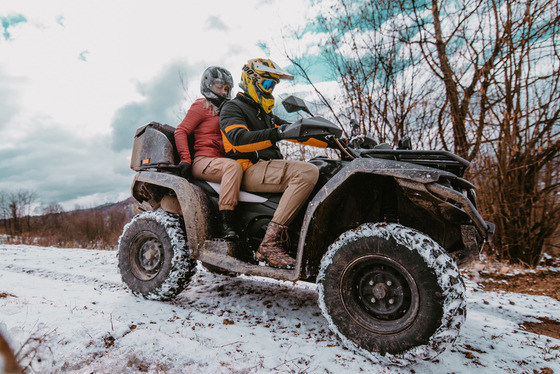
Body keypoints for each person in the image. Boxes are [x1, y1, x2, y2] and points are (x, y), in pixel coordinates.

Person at [219, 58, 320, 269]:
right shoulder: (232, 107)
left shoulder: (264, 114)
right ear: (250, 81)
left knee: (323, 168)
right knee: (307, 173)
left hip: (268, 166)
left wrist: (331, 137)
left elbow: (297, 131)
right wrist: (278, 133)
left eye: (273, 85)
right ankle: (270, 243)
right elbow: (238, 139)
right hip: (248, 168)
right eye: (267, 84)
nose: (270, 90)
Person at [174, 66, 243, 240]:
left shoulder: (227, 109)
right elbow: (180, 131)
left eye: (226, 88)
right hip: (203, 160)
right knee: (233, 168)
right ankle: (227, 223)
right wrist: (185, 159)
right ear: (208, 85)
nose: (223, 91)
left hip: (221, 161)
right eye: (219, 86)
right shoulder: (201, 105)